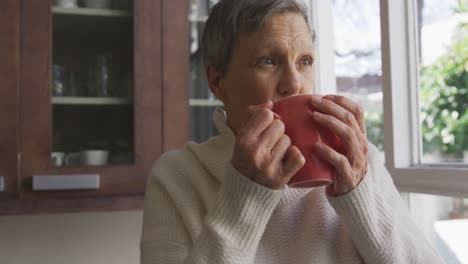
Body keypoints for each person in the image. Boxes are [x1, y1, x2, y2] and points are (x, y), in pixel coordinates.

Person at [140, 0, 445, 263]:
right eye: (268, 60)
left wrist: (359, 194)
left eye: (305, 61)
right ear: (217, 81)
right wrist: (246, 194)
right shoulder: (177, 175)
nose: (294, 83)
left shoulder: (357, 162)